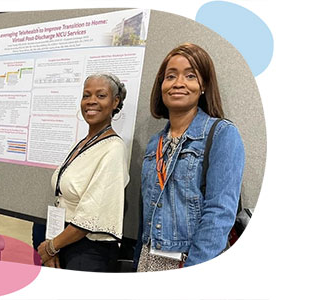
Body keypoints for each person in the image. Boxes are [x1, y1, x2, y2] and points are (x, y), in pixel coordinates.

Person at [136, 43, 245, 271]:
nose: (178, 83)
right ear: (161, 85)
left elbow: (219, 213)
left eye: (190, 75)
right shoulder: (154, 142)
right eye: (170, 76)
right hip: (148, 259)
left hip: (191, 260)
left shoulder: (223, 134)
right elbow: (146, 210)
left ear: (203, 85)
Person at [37, 73, 129, 272]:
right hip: (65, 241)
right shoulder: (84, 143)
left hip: (89, 250)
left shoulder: (113, 148)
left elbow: (90, 217)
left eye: (100, 95)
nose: (91, 101)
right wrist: (54, 245)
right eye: (86, 95)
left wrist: (51, 248)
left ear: (115, 102)